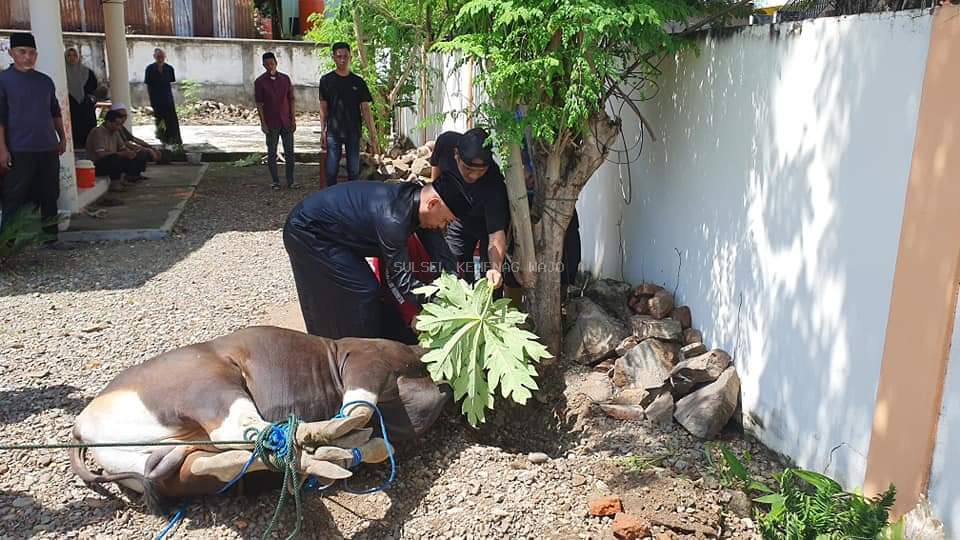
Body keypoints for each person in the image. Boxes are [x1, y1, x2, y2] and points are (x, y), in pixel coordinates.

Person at [282, 174, 469, 343]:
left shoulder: (417, 203)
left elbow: (441, 253)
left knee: (360, 288)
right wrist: (440, 306)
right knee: (363, 288)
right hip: (307, 232)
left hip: (334, 233)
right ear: (433, 203)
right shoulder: (394, 219)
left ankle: (356, 337)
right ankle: (359, 351)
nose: (442, 226)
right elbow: (402, 280)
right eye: (444, 221)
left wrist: (459, 289)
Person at [0, 33, 69, 248]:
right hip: (19, 148)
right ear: (11, 53)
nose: (27, 57)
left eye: (31, 53)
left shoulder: (44, 81)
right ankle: (7, 245)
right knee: (14, 195)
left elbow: (54, 111)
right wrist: (2, 149)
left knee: (50, 193)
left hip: (47, 146)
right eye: (22, 52)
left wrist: (62, 137)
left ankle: (51, 238)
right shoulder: (3, 80)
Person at [429, 128, 509, 291]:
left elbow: (496, 235)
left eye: (480, 171)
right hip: (458, 218)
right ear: (456, 155)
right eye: (468, 169)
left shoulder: (494, 184)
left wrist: (495, 269)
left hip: (486, 224)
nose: (474, 176)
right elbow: (436, 175)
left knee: (490, 280)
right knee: (455, 269)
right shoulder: (445, 143)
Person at [318, 42, 379, 186]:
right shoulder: (326, 80)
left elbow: (365, 109)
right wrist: (322, 131)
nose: (343, 60)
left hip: (353, 131)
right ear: (334, 58)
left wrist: (372, 133)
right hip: (334, 132)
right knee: (332, 169)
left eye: (345, 56)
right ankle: (331, 199)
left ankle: (351, 200)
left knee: (353, 170)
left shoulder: (358, 82)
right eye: (339, 56)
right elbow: (323, 107)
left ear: (350, 57)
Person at [254, 52, 297, 190]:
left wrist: (293, 119)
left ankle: (291, 180)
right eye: (267, 64)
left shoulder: (285, 79)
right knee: (272, 152)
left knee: (289, 151)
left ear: (276, 63)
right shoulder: (260, 82)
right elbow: (259, 104)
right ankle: (275, 181)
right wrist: (263, 123)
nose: (270, 66)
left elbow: (291, 99)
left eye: (272, 63)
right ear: (263, 65)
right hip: (271, 122)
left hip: (286, 120)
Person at [86, 110, 150, 192]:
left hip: (112, 158)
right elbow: (100, 154)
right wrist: (121, 154)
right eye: (117, 124)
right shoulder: (98, 132)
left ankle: (131, 176)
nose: (119, 127)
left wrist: (130, 153)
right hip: (97, 164)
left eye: (120, 125)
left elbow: (122, 147)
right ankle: (115, 184)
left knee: (138, 154)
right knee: (114, 158)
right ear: (109, 122)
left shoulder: (115, 132)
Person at [144, 48, 182, 146]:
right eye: (158, 57)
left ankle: (174, 138)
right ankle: (162, 137)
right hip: (156, 98)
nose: (160, 58)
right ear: (154, 57)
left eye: (162, 56)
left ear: (165, 57)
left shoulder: (169, 68)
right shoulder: (150, 69)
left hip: (167, 97)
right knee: (159, 119)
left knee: (171, 119)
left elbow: (171, 82)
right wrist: (151, 99)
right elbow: (148, 85)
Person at [64, 47, 98, 148]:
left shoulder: (87, 72)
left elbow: (94, 88)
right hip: (70, 106)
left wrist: (91, 98)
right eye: (69, 56)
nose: (72, 58)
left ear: (79, 57)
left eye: (74, 55)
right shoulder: (62, 73)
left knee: (88, 130)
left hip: (85, 106)